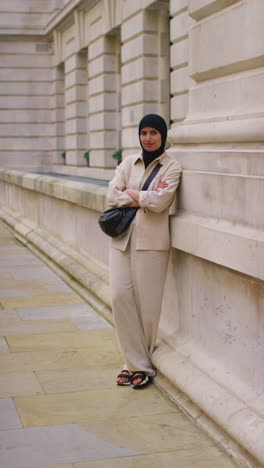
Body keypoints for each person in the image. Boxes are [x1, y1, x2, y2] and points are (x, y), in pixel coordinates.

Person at [107, 113, 181, 389]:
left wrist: (133, 195)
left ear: (163, 135)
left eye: (153, 133)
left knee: (147, 307)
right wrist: (143, 199)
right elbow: (112, 195)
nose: (148, 138)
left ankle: (137, 367)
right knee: (119, 297)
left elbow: (161, 202)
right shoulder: (128, 163)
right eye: (144, 133)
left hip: (152, 243)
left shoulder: (172, 167)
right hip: (121, 240)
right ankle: (135, 363)